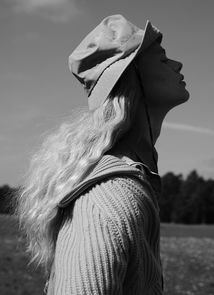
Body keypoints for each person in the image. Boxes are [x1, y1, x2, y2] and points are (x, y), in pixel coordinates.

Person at [15, 14, 189, 295]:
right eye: (163, 57)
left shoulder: (129, 182)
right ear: (134, 75)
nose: (177, 64)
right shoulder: (108, 200)